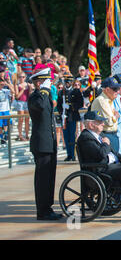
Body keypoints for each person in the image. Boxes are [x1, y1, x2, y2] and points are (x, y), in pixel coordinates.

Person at [27, 68, 62, 220]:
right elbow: (40, 107)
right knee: (42, 180)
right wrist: (44, 90)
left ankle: (48, 208)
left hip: (49, 143)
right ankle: (42, 211)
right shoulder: (35, 97)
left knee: (49, 178)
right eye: (46, 80)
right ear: (39, 82)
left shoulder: (45, 97)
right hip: (41, 144)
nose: (50, 83)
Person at [90, 77, 121, 153]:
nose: (117, 91)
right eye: (115, 89)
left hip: (112, 134)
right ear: (107, 90)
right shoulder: (102, 101)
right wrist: (116, 116)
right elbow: (109, 122)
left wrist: (114, 116)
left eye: (118, 89)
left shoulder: (109, 100)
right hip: (106, 134)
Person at [57, 76, 84, 161]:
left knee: (72, 136)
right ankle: (68, 154)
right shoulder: (62, 92)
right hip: (65, 117)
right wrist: (61, 111)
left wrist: (71, 106)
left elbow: (80, 103)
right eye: (66, 82)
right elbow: (59, 104)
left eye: (68, 82)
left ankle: (73, 155)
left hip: (72, 116)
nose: (67, 84)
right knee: (66, 136)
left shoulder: (76, 91)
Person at [14, 72, 31, 141]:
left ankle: (27, 135)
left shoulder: (28, 84)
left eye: (23, 77)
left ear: (25, 77)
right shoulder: (17, 85)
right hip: (20, 102)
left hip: (27, 102)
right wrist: (23, 89)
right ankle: (20, 135)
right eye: (20, 77)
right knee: (20, 120)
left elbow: (30, 95)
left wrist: (29, 88)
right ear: (18, 78)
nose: (22, 78)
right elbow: (17, 96)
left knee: (27, 120)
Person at [0, 76, 14, 144]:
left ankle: (5, 134)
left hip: (5, 110)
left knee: (6, 124)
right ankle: (1, 137)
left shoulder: (5, 91)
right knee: (0, 125)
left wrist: (8, 84)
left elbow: (13, 91)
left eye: (2, 84)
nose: (2, 85)